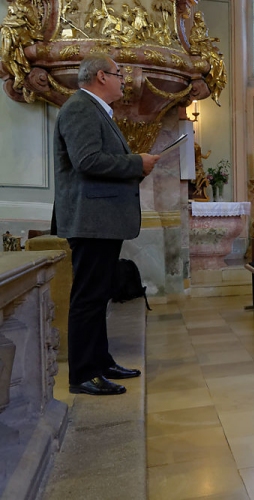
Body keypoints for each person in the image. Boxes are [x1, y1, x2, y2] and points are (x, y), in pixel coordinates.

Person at [53, 54, 160, 396]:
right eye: (118, 75)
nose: (123, 81)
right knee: (88, 297)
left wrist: (136, 168)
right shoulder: (81, 107)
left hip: (100, 219)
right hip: (90, 219)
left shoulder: (95, 109)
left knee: (99, 296)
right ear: (101, 76)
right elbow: (87, 161)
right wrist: (135, 163)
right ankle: (84, 373)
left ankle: (100, 361)